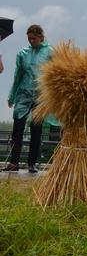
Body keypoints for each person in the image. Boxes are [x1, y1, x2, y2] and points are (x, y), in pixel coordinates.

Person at [4, 25, 54, 173]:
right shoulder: (23, 54)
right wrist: (12, 95)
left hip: (40, 96)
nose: (31, 41)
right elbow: (17, 76)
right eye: (29, 39)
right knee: (17, 129)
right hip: (23, 95)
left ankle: (32, 163)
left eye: (34, 38)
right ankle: (14, 163)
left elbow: (56, 73)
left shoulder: (50, 52)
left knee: (36, 130)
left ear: (41, 37)